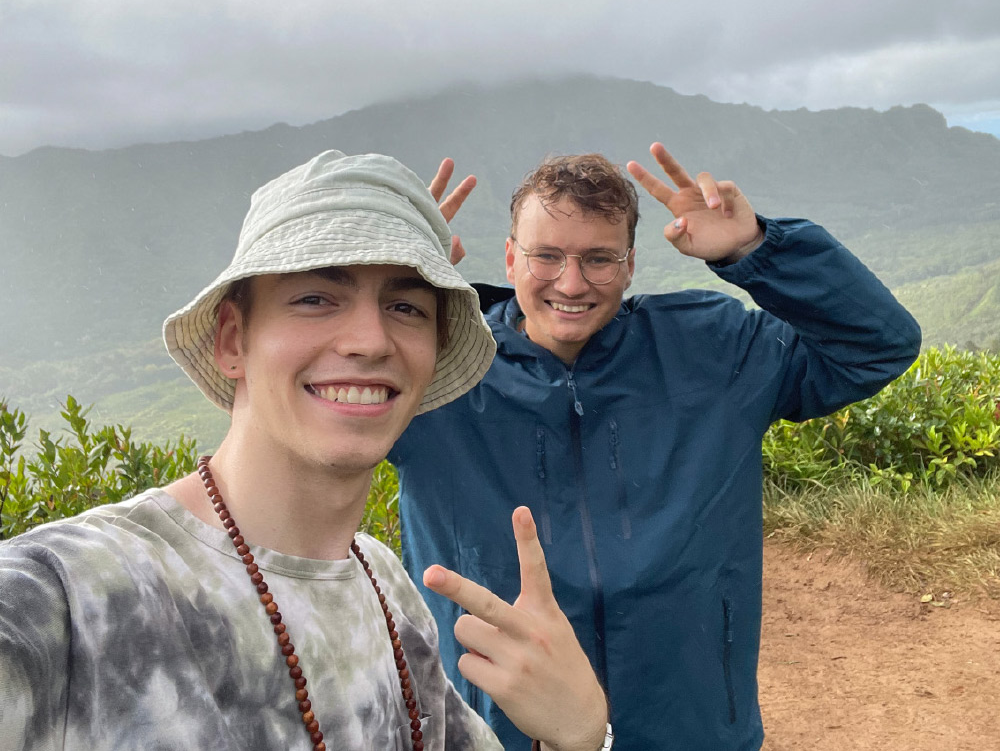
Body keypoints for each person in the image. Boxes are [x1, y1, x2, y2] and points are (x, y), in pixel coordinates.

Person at [0, 151, 613, 751]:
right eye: (316, 298)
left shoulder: (387, 589)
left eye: (405, 306)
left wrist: (576, 738)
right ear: (233, 339)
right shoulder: (63, 596)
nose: (371, 340)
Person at [390, 145, 923, 750]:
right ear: (511, 257)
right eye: (547, 256)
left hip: (691, 724)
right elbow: (302, 401)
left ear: (631, 263)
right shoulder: (435, 371)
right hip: (492, 730)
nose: (572, 282)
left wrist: (753, 250)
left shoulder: (712, 350)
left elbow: (876, 345)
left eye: (599, 259)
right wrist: (388, 279)